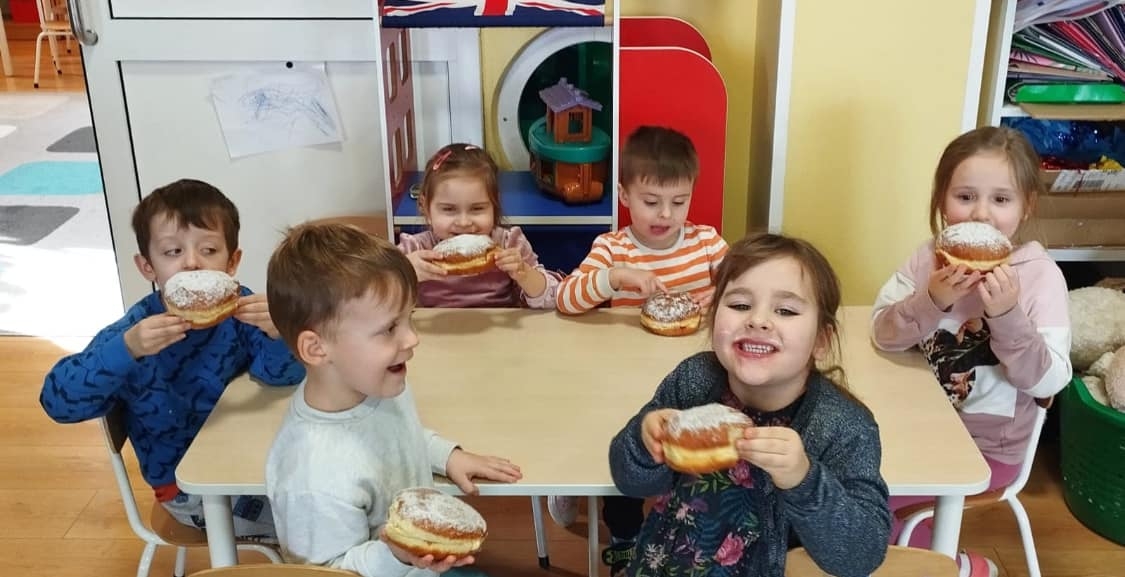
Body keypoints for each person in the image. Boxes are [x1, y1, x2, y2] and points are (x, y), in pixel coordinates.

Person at [610, 233, 890, 577]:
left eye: (785, 310)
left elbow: (861, 555)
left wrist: (803, 479)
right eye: (740, 305)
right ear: (713, 317)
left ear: (821, 340)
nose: (758, 320)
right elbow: (630, 482)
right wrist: (644, 442)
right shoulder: (694, 380)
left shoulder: (843, 426)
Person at [40, 178, 304, 538]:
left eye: (208, 250)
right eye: (172, 252)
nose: (192, 263)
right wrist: (126, 350)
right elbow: (57, 402)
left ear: (232, 261)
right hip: (189, 491)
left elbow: (281, 377)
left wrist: (279, 334)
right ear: (147, 266)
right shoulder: (135, 331)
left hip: (250, 458)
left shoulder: (240, 309)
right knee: (307, 527)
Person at [264, 222, 522, 577]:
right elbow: (329, 571)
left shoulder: (374, 384)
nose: (412, 338)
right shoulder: (313, 476)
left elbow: (399, 436)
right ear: (317, 348)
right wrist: (397, 556)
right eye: (389, 328)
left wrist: (447, 455)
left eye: (409, 318)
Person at [871, 126, 1071, 576]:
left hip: (987, 450)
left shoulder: (1039, 276)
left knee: (870, 507)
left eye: (1001, 199)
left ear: (1026, 206)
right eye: (965, 197)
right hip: (913, 428)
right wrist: (930, 300)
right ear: (942, 200)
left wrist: (1007, 315)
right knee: (843, 484)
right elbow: (883, 333)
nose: (981, 213)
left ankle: (957, 567)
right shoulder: (927, 259)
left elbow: (1050, 381)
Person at [551, 126, 729, 575]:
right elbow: (566, 299)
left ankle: (689, 529)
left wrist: (724, 295)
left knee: (693, 462)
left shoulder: (707, 243)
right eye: (651, 201)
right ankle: (624, 535)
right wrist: (615, 278)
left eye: (679, 201)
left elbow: (744, 280)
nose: (666, 214)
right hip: (624, 381)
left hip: (693, 379)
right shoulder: (612, 249)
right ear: (624, 195)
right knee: (626, 459)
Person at [398, 143, 560, 308]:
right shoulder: (414, 248)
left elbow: (554, 298)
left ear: (494, 204)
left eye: (477, 209)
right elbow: (383, 299)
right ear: (425, 208)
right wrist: (404, 274)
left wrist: (525, 275)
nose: (464, 222)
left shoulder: (509, 243)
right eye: (448, 209)